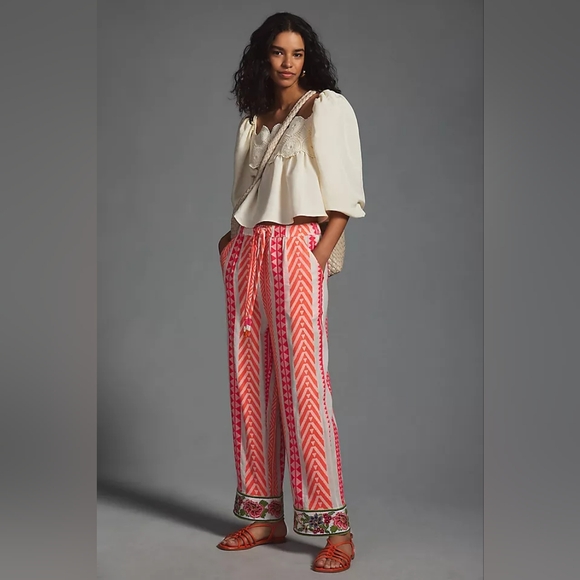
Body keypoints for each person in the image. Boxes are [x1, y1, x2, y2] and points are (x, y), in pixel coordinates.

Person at [216, 12, 365, 573]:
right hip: (249, 252)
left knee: (305, 383)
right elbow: (242, 199)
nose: (287, 62)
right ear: (263, 56)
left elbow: (344, 197)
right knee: (249, 382)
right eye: (278, 52)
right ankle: (264, 515)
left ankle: (336, 529)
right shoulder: (253, 121)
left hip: (298, 248)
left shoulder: (324, 107)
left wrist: (316, 256)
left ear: (308, 59)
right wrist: (230, 245)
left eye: (297, 53)